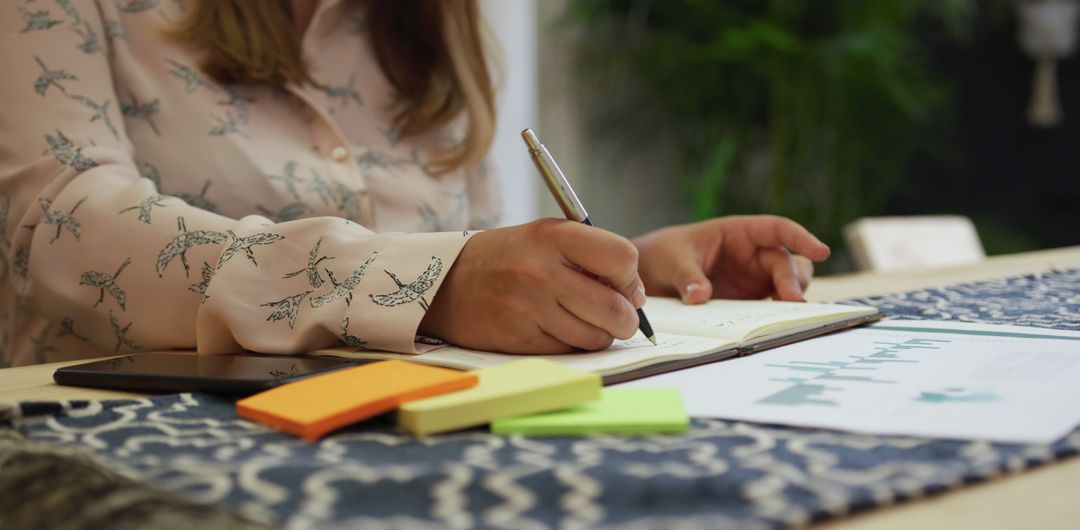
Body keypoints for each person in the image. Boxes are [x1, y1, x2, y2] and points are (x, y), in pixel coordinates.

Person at [0, 0, 828, 368]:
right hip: (123, 477)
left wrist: (620, 273)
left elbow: (474, 267)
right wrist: (427, 286)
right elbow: (60, 227)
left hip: (412, 453)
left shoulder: (427, 29)